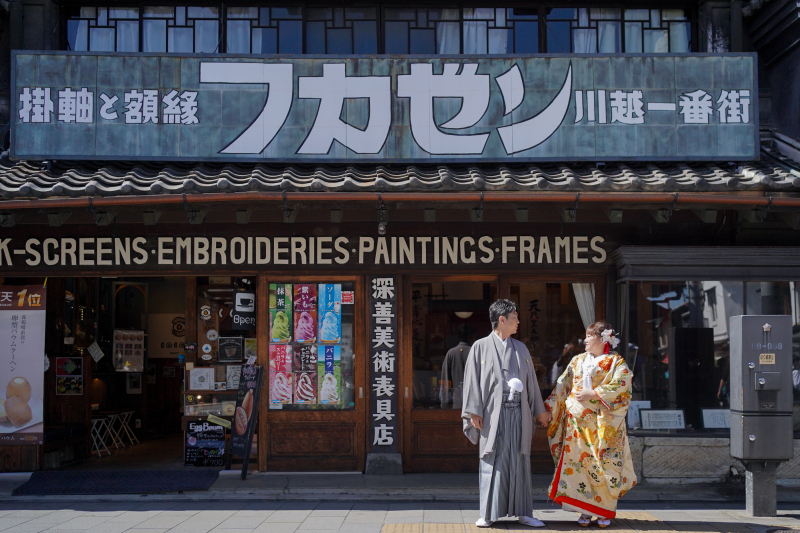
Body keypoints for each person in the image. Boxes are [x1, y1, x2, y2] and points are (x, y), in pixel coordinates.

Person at [461, 299, 551, 528]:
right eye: (514, 318)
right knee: (492, 458)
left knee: (520, 459)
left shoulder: (521, 348)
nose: (518, 322)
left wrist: (540, 411)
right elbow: (471, 381)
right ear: (502, 320)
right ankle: (488, 514)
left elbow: (531, 382)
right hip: (491, 414)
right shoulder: (480, 347)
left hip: (518, 413)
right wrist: (473, 411)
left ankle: (524, 512)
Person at [545, 321, 636, 529]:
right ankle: (585, 511)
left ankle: (603, 511)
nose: (584, 340)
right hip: (576, 426)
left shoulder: (615, 362)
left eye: (588, 336)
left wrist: (593, 394)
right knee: (578, 468)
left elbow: (623, 385)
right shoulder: (577, 361)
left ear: (603, 338)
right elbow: (562, 386)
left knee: (601, 467)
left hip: (602, 426)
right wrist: (548, 408)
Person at [440, 324, 476, 409]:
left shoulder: (451, 353)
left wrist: (444, 402)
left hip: (455, 403)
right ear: (470, 336)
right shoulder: (475, 352)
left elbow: (445, 378)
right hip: (474, 404)